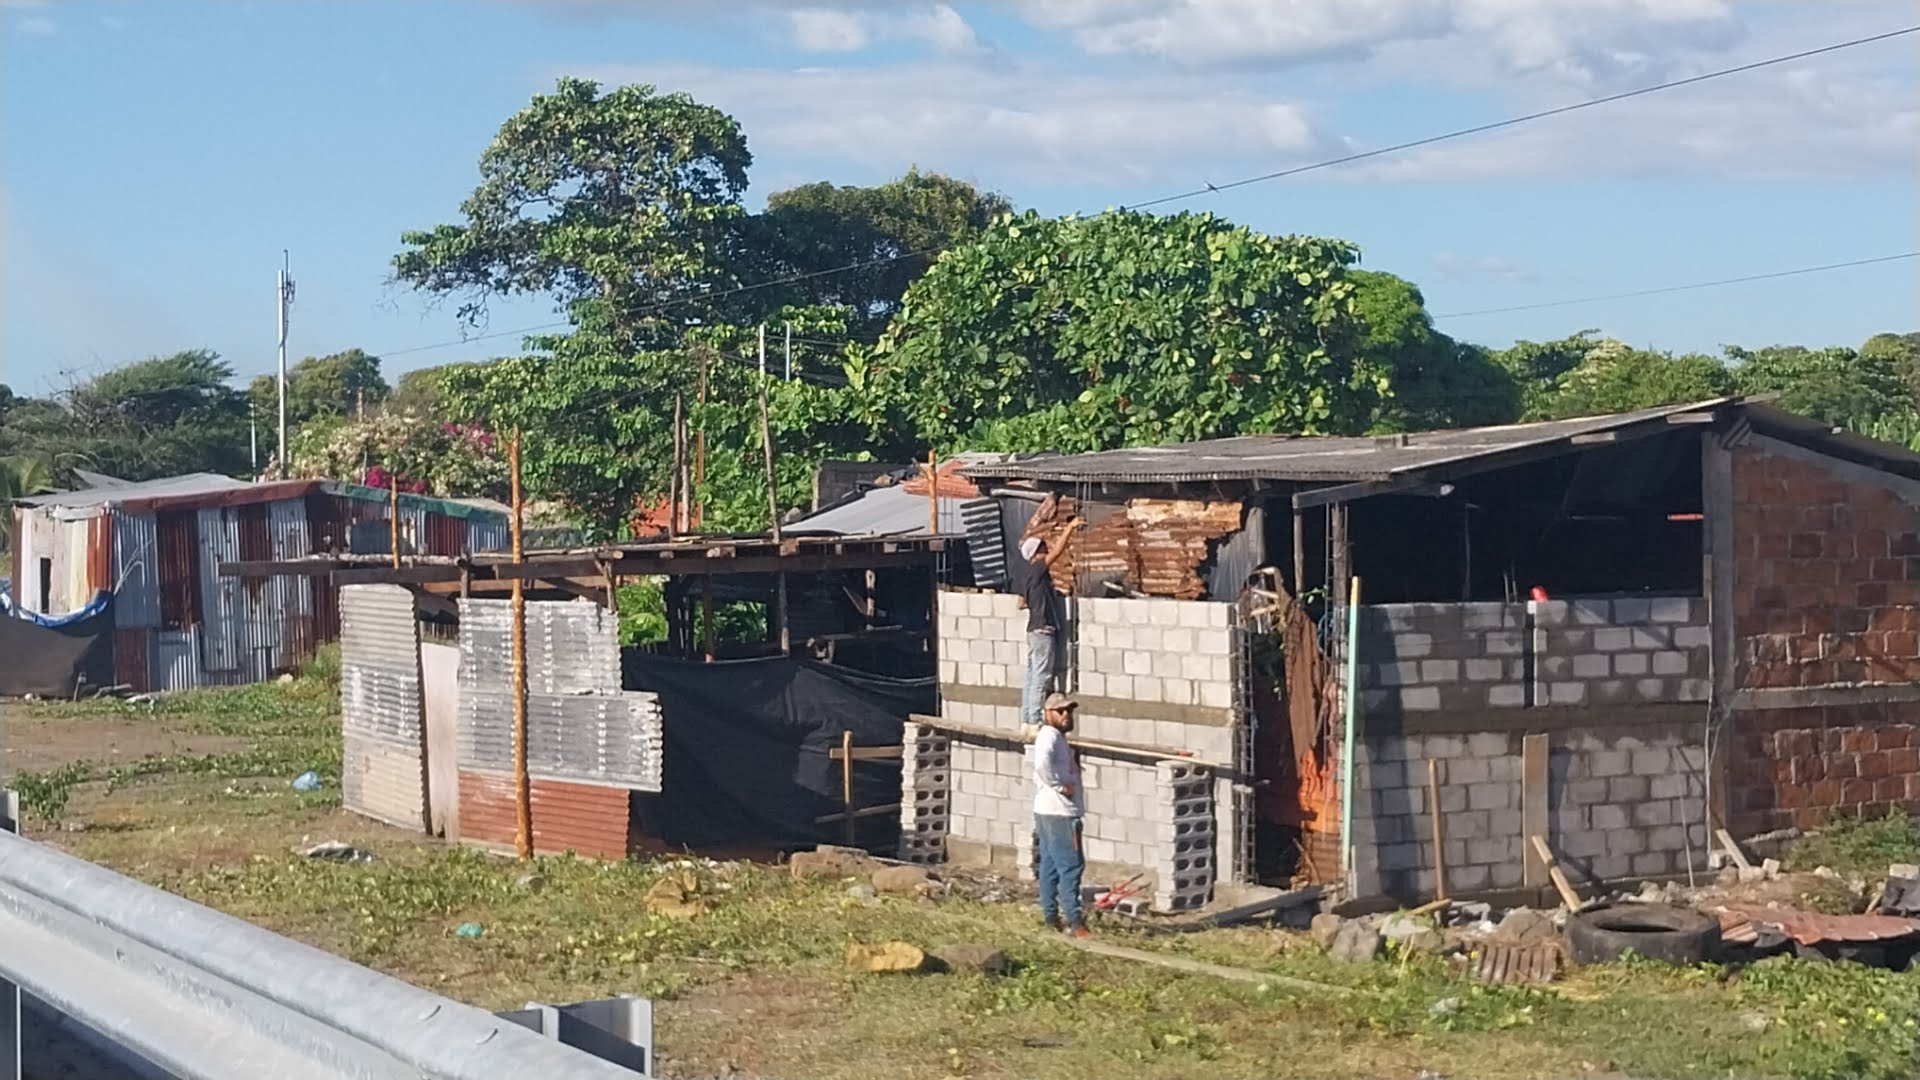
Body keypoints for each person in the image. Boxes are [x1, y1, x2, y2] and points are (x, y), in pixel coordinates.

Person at [1017, 519, 1082, 729]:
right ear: (1036, 553)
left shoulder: (1027, 576)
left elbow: (1021, 603)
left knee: (1031, 675)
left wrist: (1043, 597)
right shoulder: (1038, 569)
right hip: (1043, 630)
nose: (1046, 550)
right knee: (1041, 676)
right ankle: (1035, 720)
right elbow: (1057, 551)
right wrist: (1070, 527)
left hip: (1033, 630)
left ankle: (1027, 719)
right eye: (1043, 548)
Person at [1032, 692, 1088, 936]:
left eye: (1069, 710)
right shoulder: (1049, 736)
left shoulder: (1057, 738)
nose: (1066, 715)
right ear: (1048, 714)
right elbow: (1041, 765)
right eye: (1060, 711)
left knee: (1051, 866)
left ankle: (1051, 918)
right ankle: (1075, 922)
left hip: (1047, 811)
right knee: (1071, 866)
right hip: (1060, 812)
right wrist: (1060, 787)